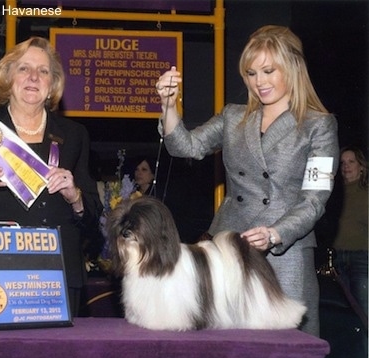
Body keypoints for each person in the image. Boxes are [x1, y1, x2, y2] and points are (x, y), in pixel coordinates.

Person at [155, 25, 339, 336]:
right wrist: (169, 105)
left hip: (287, 253)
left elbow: (315, 200)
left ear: (293, 67)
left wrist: (276, 234)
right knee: (230, 345)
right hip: (228, 251)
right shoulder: (233, 116)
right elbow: (185, 146)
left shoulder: (318, 125)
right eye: (251, 73)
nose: (259, 82)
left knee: (290, 350)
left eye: (268, 71)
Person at [0, 37, 103, 318]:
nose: (33, 77)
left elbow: (94, 216)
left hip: (61, 277)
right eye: (24, 69)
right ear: (7, 77)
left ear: (52, 83)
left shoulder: (75, 135)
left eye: (43, 71)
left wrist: (75, 196)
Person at [332, 146, 368, 315]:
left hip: (362, 258)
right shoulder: (333, 194)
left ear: (361, 166)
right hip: (337, 259)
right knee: (345, 314)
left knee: (364, 311)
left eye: (351, 162)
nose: (346, 166)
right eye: (342, 163)